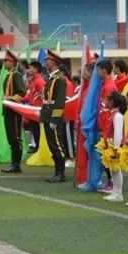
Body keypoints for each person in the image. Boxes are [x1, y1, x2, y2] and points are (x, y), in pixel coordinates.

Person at [41, 50, 69, 182]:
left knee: (57, 145)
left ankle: (61, 173)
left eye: (48, 60)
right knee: (52, 145)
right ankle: (57, 172)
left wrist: (55, 119)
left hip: (54, 117)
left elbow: (59, 100)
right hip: (48, 114)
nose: (46, 62)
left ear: (54, 62)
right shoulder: (51, 78)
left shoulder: (59, 79)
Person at [0, 50, 27, 173]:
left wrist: (9, 100)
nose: (4, 63)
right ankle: (13, 163)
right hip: (8, 110)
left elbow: (22, 92)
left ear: (12, 62)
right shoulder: (9, 75)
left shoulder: (16, 75)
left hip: (14, 111)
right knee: (11, 138)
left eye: (6, 61)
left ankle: (16, 164)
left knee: (16, 138)